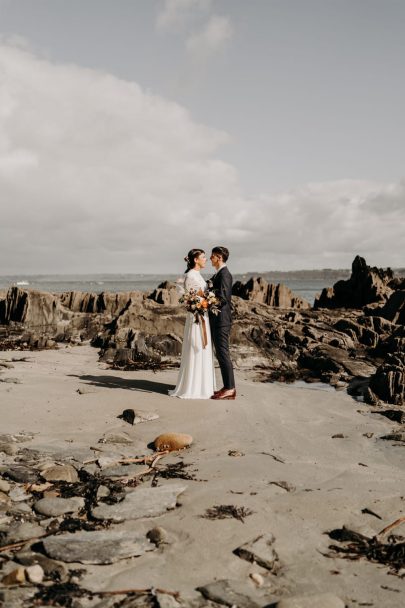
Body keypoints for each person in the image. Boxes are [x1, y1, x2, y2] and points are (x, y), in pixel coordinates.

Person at [168, 249, 216, 399]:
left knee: (203, 347)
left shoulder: (197, 275)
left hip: (203, 316)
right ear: (195, 260)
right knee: (197, 346)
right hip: (197, 317)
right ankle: (194, 387)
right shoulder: (190, 275)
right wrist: (206, 302)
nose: (206, 259)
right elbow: (191, 299)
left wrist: (207, 300)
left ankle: (203, 385)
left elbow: (197, 296)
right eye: (203, 257)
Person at [209, 246, 236, 400]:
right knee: (220, 354)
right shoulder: (219, 273)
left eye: (212, 256)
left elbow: (223, 298)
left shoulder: (225, 274)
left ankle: (230, 388)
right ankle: (227, 386)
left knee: (223, 354)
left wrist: (208, 298)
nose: (210, 259)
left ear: (219, 257)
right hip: (217, 319)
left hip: (222, 320)